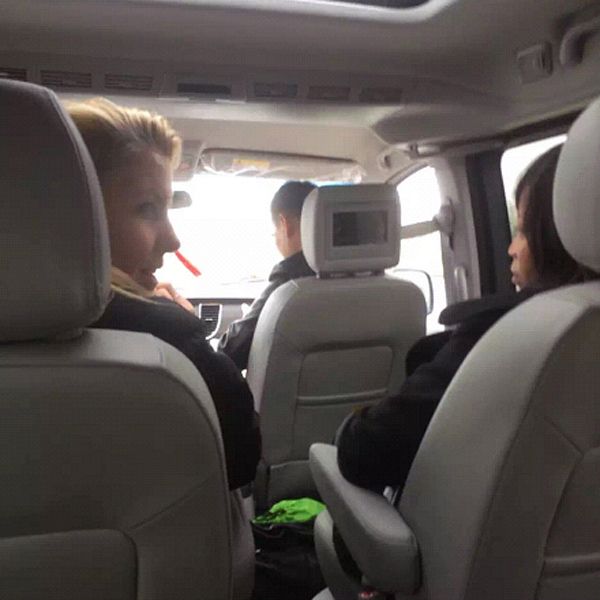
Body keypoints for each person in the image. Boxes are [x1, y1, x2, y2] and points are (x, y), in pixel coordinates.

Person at [336, 144, 598, 492]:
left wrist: (349, 427)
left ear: (557, 236)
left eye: (522, 230)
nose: (511, 249)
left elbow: (366, 452)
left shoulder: (507, 335)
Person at [67, 98, 261, 492]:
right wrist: (179, 327)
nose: (173, 240)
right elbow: (241, 462)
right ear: (75, 214)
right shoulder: (166, 344)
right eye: (147, 209)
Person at [218, 180, 316, 370]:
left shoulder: (287, 289)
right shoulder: (370, 286)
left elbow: (230, 354)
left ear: (285, 224)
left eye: (275, 231)